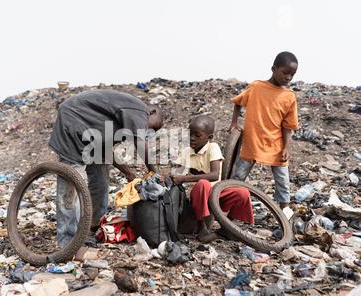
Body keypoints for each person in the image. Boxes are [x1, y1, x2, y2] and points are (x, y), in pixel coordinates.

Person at [49, 89, 163, 247]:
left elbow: (106, 152)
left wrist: (129, 174)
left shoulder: (118, 122)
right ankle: (68, 242)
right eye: (152, 128)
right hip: (72, 123)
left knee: (100, 180)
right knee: (71, 187)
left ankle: (92, 225)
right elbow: (140, 142)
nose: (149, 132)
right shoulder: (139, 109)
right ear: (152, 112)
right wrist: (154, 173)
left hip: (90, 136)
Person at [230, 51, 299, 215]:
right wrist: (234, 123)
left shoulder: (289, 97)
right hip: (252, 142)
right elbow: (238, 102)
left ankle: (285, 212)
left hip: (275, 144)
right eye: (285, 73)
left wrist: (286, 148)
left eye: (292, 74)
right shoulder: (256, 87)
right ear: (273, 68)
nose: (288, 77)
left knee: (282, 180)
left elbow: (288, 127)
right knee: (237, 178)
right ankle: (227, 207)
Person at [170, 115, 254, 243]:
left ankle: (228, 227)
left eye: (197, 136)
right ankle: (202, 227)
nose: (192, 138)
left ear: (209, 137)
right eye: (190, 134)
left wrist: (185, 179)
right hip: (196, 198)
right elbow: (176, 172)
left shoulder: (213, 147)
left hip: (216, 194)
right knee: (203, 184)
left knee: (242, 192)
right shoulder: (186, 151)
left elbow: (215, 175)